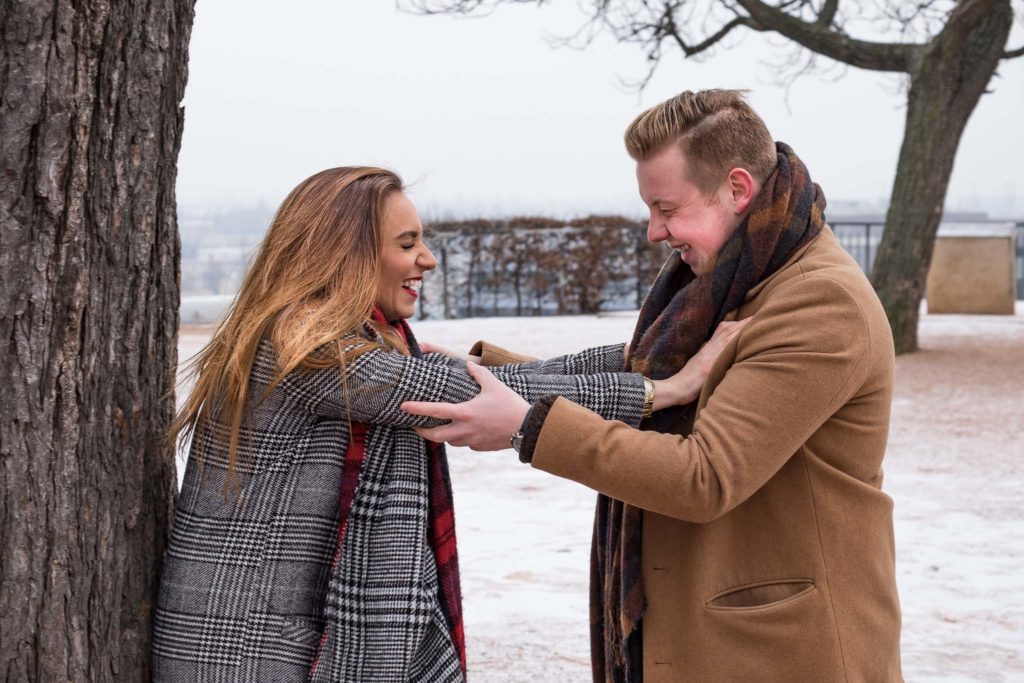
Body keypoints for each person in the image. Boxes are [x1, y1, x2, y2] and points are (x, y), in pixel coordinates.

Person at [403, 90, 903, 682]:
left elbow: (704, 476)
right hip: (706, 634)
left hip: (783, 652)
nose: (653, 231)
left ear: (738, 189)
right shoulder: (741, 275)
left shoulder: (819, 302)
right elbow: (647, 376)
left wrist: (525, 426)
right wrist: (491, 372)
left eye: (667, 208)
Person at [152, 166, 722, 682]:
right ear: (345, 255)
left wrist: (649, 353)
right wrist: (662, 389)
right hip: (243, 647)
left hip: (289, 634)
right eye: (407, 243)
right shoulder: (305, 350)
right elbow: (469, 392)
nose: (427, 258)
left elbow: (517, 376)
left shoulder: (362, 343)